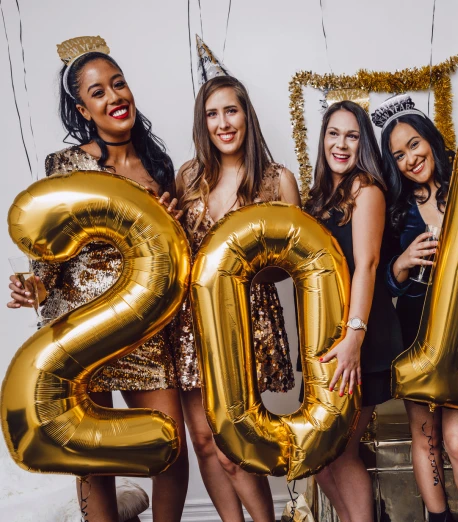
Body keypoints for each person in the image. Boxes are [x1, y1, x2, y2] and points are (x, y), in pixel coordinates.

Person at [7, 37, 189, 522]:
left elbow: (175, 258)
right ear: (83, 110)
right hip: (78, 331)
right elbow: (48, 261)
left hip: (143, 331)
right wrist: (34, 288)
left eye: (118, 84)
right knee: (93, 454)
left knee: (168, 448)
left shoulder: (158, 168)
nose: (114, 97)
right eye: (98, 92)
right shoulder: (65, 166)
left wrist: (173, 222)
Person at [172, 73, 300, 522]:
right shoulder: (188, 176)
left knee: (236, 443)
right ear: (202, 122)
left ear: (247, 115)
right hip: (191, 324)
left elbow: (299, 266)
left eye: (231, 110)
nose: (223, 123)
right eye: (212, 113)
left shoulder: (277, 179)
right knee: (205, 442)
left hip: (248, 324)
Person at [373, 95, 458, 522]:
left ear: (432, 142)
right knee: (426, 439)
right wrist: (402, 263)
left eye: (415, 145)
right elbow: (379, 280)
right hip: (414, 334)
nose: (410, 159)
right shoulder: (395, 208)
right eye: (398, 155)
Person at [304, 100, 404, 522]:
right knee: (323, 453)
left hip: (361, 337)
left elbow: (366, 264)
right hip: (330, 338)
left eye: (352, 135)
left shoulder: (367, 190)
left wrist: (354, 338)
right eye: (333, 133)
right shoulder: (322, 196)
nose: (340, 144)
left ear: (363, 143)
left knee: (337, 449)